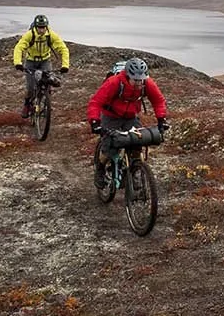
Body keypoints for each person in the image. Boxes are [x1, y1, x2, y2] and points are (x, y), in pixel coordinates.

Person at [86, 56, 168, 187]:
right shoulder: (114, 82)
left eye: (141, 79)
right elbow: (96, 102)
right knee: (110, 148)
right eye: (136, 80)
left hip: (130, 117)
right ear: (128, 76)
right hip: (111, 116)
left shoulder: (147, 83)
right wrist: (95, 122)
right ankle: (100, 169)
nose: (139, 83)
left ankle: (134, 172)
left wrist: (161, 119)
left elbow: (158, 100)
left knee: (138, 144)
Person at [12, 14, 70, 117]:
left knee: (48, 82)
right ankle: (27, 105)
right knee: (30, 87)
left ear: (46, 26)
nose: (42, 30)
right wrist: (18, 63)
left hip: (45, 61)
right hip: (31, 61)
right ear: (35, 26)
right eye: (39, 27)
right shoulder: (29, 35)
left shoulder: (51, 35)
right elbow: (19, 48)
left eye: (43, 27)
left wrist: (65, 65)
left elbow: (63, 49)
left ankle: (47, 103)